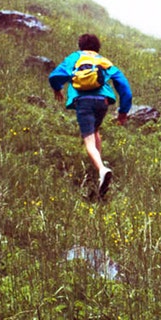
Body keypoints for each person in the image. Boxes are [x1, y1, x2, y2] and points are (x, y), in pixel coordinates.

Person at [49, 33, 132, 198]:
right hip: (103, 101)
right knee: (95, 130)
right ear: (98, 47)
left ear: (80, 46)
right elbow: (124, 86)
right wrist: (123, 111)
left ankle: (102, 170)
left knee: (88, 140)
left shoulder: (75, 57)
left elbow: (54, 76)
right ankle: (99, 169)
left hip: (83, 101)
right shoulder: (103, 60)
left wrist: (57, 88)